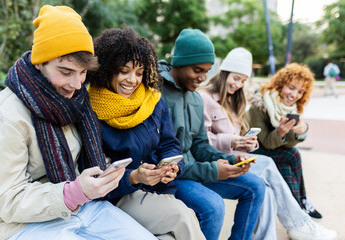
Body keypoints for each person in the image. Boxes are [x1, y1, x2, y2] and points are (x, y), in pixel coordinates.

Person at [0, 5, 157, 240]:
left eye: (83, 72)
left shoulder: (77, 101)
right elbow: (4, 201)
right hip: (20, 224)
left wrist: (104, 173)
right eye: (66, 72)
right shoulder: (6, 114)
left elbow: (77, 165)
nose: (77, 85)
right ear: (39, 62)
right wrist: (72, 193)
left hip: (83, 208)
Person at [198, 47, 337, 240]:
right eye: (236, 78)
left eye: (243, 81)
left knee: (270, 188)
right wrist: (234, 140)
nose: (238, 85)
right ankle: (299, 223)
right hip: (217, 162)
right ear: (225, 73)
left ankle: (269, 236)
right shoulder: (204, 98)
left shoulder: (234, 100)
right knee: (270, 165)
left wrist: (247, 143)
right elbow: (201, 142)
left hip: (236, 156)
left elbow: (244, 140)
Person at [86, 26, 205, 240]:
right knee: (184, 216)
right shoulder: (90, 110)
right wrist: (134, 176)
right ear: (107, 69)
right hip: (119, 196)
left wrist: (173, 166)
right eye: (124, 71)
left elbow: (170, 144)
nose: (132, 80)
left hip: (159, 190)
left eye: (139, 72)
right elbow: (93, 171)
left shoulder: (153, 100)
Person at [159, 29, 265, 240]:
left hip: (195, 170)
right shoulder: (158, 94)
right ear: (178, 63)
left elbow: (200, 145)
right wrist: (212, 171)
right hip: (169, 177)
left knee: (256, 186)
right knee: (213, 206)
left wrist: (230, 159)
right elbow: (160, 158)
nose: (203, 78)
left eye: (207, 71)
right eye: (197, 70)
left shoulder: (196, 99)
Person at [247, 63, 323, 220]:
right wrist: (281, 131)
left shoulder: (291, 108)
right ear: (280, 85)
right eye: (292, 88)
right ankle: (301, 204)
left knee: (287, 161)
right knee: (292, 155)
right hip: (252, 147)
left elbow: (287, 144)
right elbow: (266, 142)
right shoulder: (259, 104)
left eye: (300, 91)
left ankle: (299, 207)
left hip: (275, 149)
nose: (295, 95)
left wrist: (301, 129)